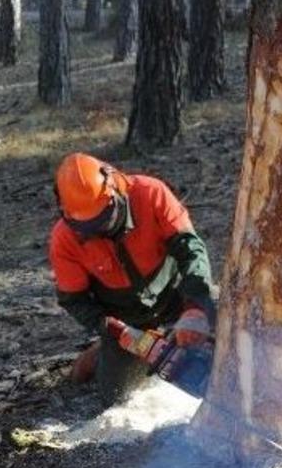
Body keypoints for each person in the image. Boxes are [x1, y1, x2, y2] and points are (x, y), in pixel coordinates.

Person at [48, 152, 216, 403]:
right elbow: (74, 300)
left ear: (115, 191)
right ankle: (100, 355)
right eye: (88, 227)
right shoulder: (64, 240)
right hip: (125, 319)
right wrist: (109, 327)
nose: (99, 230)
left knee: (230, 318)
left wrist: (195, 307)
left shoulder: (150, 194)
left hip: (174, 296)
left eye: (103, 219)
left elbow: (191, 250)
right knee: (118, 398)